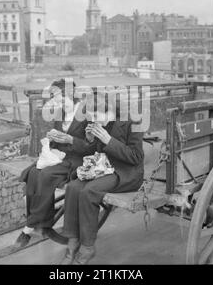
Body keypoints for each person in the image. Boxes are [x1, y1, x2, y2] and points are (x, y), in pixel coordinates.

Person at [61, 93, 144, 265]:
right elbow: (96, 150)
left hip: (126, 172)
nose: (96, 122)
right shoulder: (99, 121)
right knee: (73, 188)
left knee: (90, 191)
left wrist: (109, 140)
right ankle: (73, 239)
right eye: (93, 117)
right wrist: (91, 140)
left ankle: (88, 247)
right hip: (103, 167)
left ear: (111, 111)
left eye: (99, 117)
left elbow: (136, 157)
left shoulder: (133, 122)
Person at [16, 79, 93, 247]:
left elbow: (92, 147)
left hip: (77, 160)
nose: (55, 101)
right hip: (60, 157)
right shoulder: (61, 114)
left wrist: (71, 140)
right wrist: (52, 141)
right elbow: (58, 143)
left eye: (58, 96)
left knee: (45, 174)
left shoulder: (87, 114)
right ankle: (39, 221)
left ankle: (29, 226)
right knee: (33, 172)